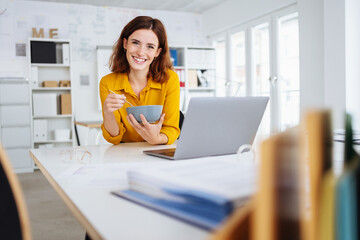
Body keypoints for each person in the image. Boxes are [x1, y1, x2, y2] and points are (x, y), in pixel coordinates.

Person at [99, 16, 180, 145]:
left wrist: (157, 139)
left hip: (158, 150)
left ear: (157, 52)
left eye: (150, 47)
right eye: (135, 43)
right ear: (125, 43)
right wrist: (108, 113)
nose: (141, 52)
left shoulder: (170, 79)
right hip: (125, 155)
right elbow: (114, 137)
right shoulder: (108, 83)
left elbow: (171, 129)